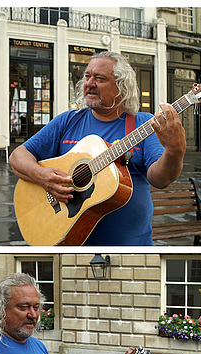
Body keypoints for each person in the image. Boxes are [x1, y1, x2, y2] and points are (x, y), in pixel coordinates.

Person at [9, 51, 185, 245]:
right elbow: (17, 156)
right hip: (71, 246)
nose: (89, 83)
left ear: (121, 86)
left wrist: (174, 151)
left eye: (99, 78)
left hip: (132, 246)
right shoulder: (67, 121)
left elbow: (160, 179)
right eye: (87, 76)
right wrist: (42, 176)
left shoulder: (144, 124)